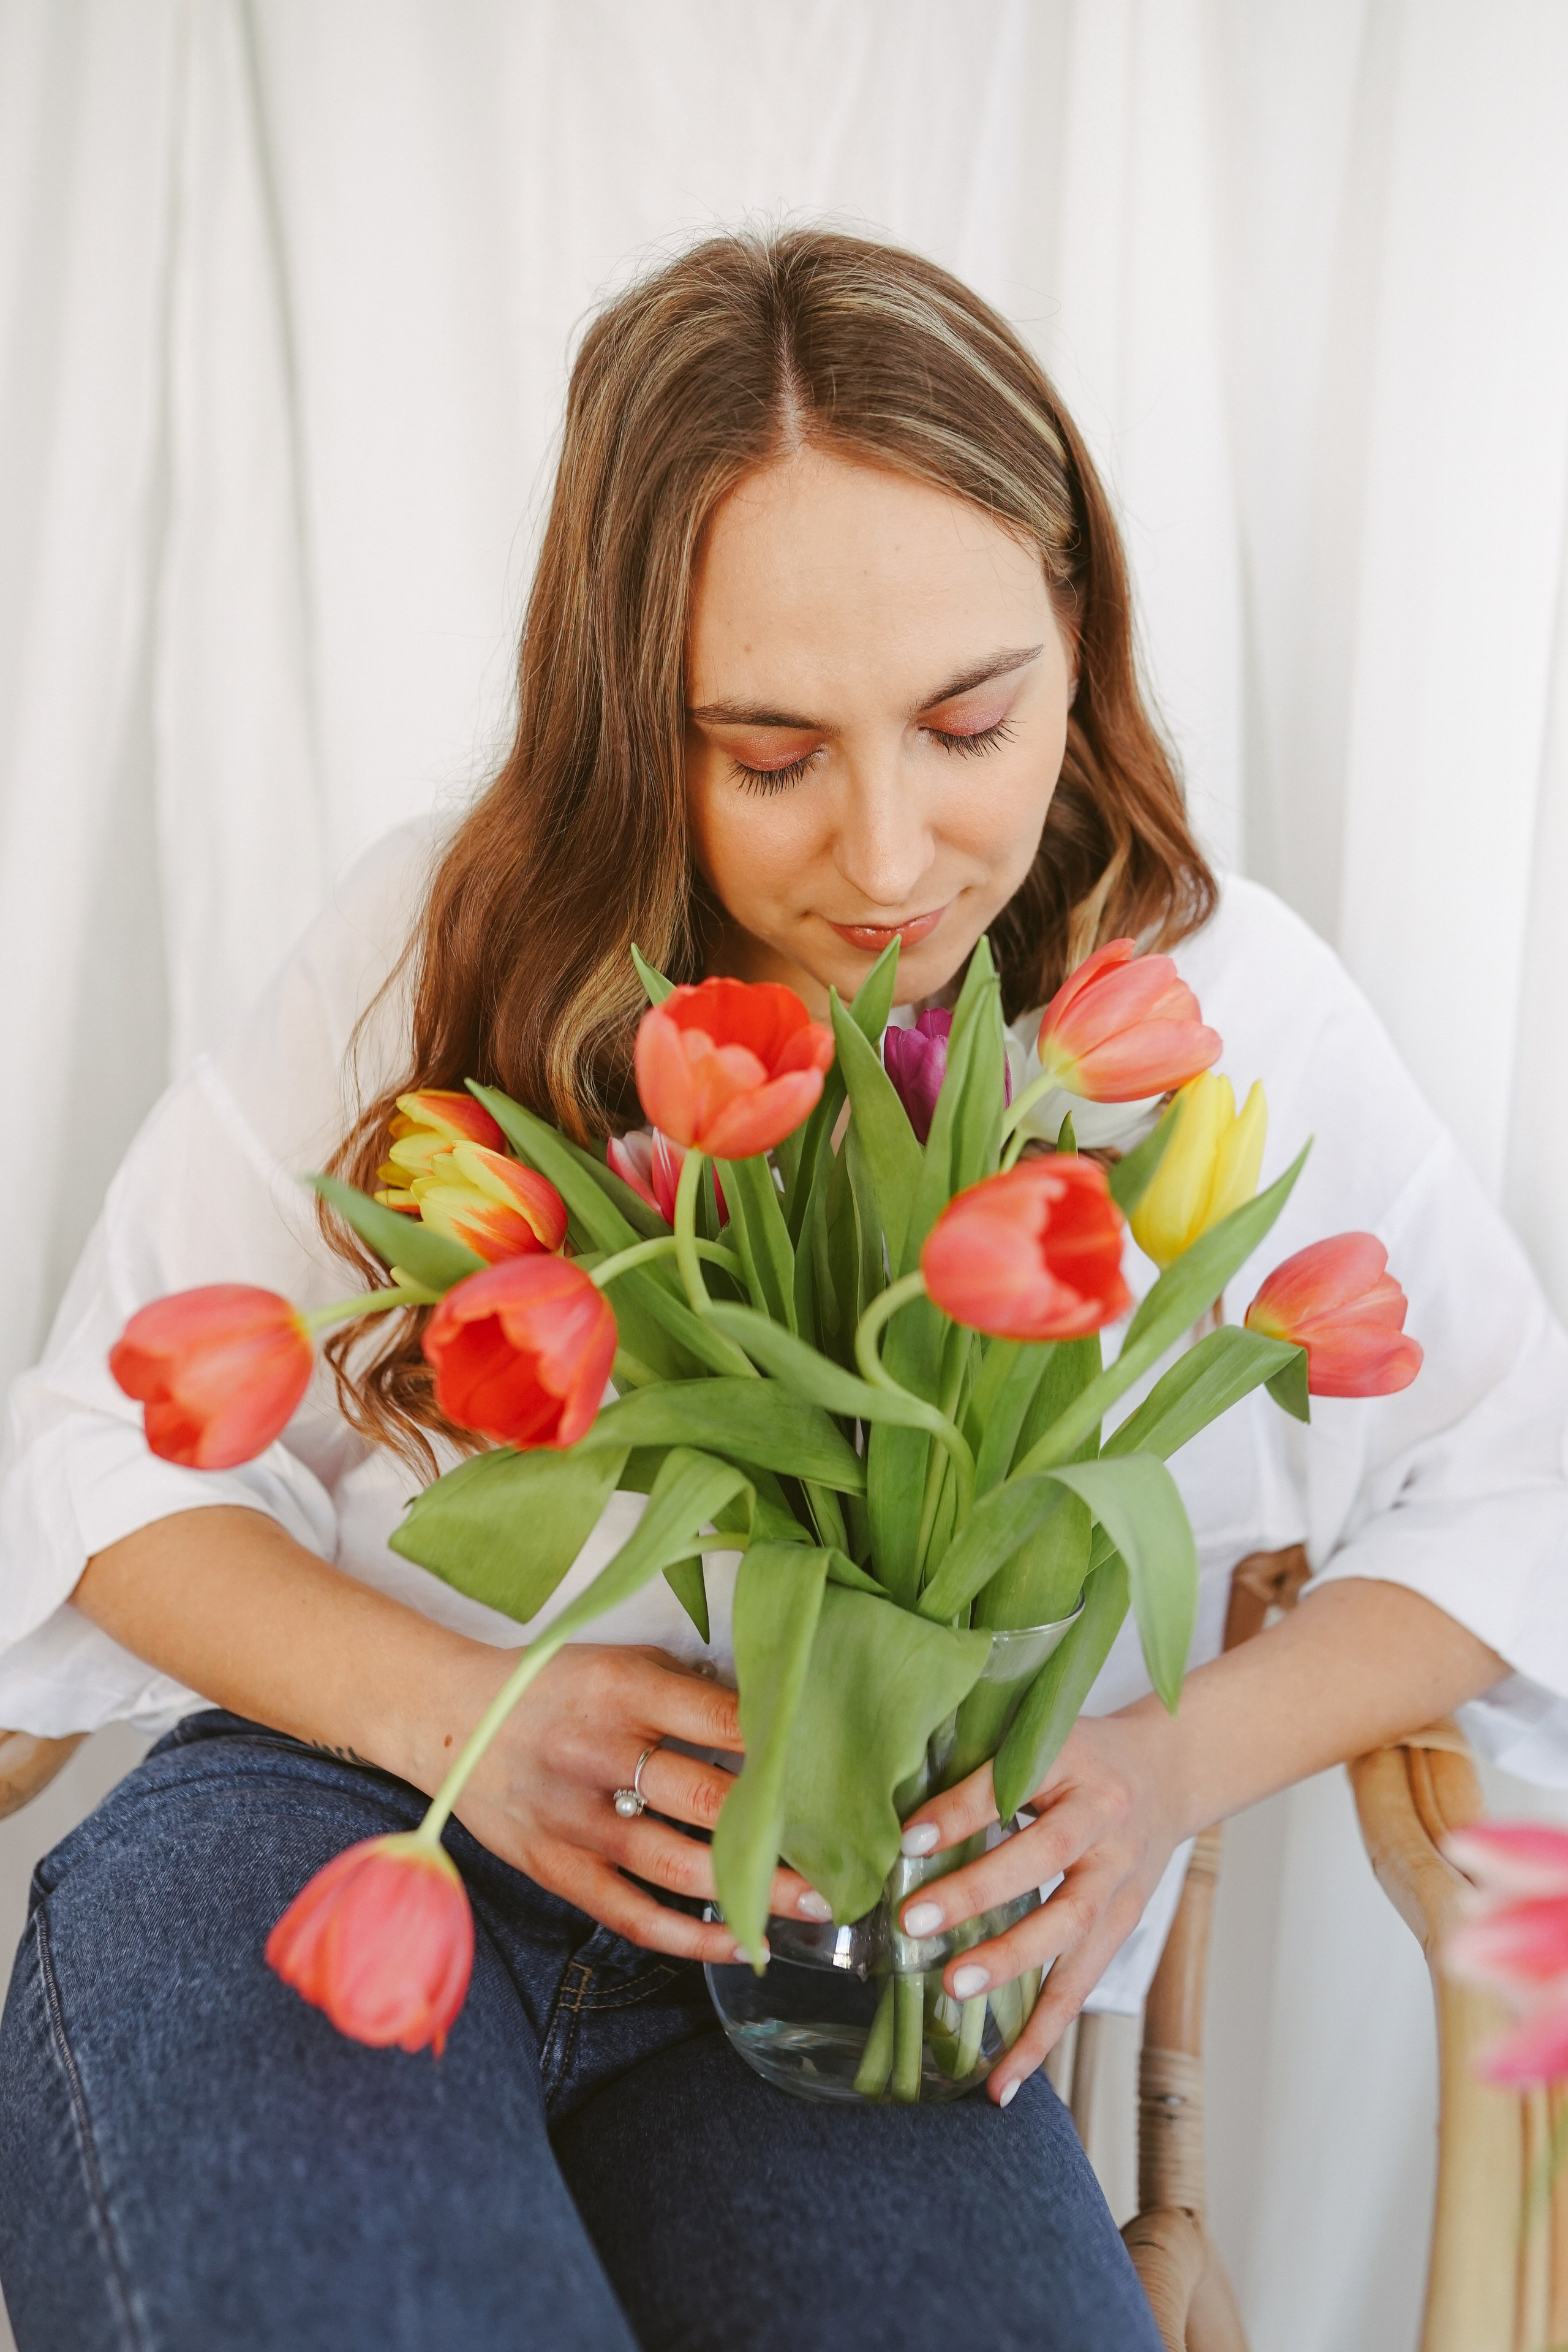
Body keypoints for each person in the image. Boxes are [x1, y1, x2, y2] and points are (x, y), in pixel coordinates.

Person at [0, 226, 1562, 2352]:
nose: (896, 857)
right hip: (342, 1822)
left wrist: (1170, 1769)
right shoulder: (450, 944)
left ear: (1076, 631)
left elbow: (1519, 1485)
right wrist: (475, 1721)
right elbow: (98, 1451)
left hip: (860, 1951)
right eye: (769, 757)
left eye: (967, 721)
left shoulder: (1200, 1011)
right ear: (639, 720)